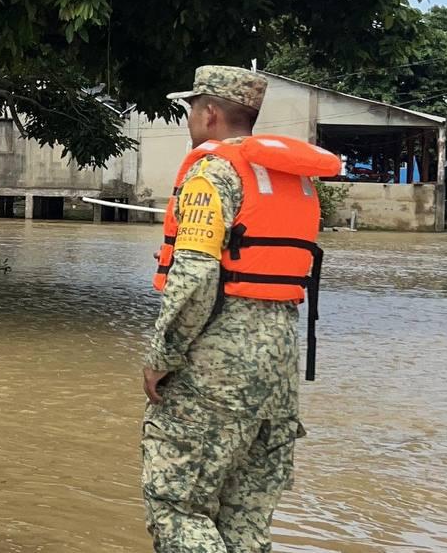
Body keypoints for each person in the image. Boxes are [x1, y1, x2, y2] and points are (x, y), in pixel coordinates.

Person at [141, 66, 340, 553]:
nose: (189, 118)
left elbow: (195, 279)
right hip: (278, 369)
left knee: (177, 507)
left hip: (216, 365)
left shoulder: (213, 172)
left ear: (209, 112)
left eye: (191, 108)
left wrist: (161, 357)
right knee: (246, 519)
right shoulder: (295, 180)